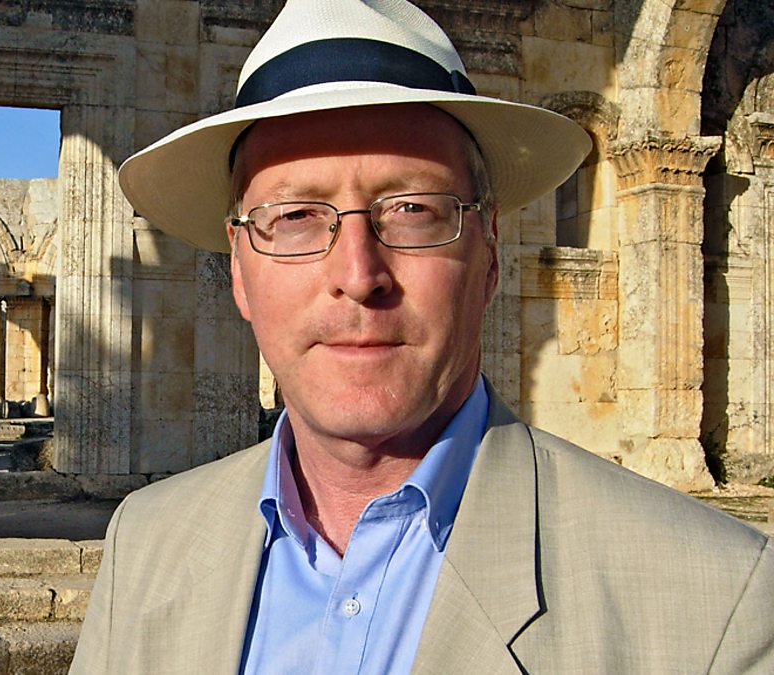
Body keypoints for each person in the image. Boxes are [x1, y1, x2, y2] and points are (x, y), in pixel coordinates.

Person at [70, 0, 774, 672]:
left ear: (489, 252)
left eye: (411, 209)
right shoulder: (145, 546)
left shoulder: (712, 605)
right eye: (295, 216)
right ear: (239, 271)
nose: (358, 274)